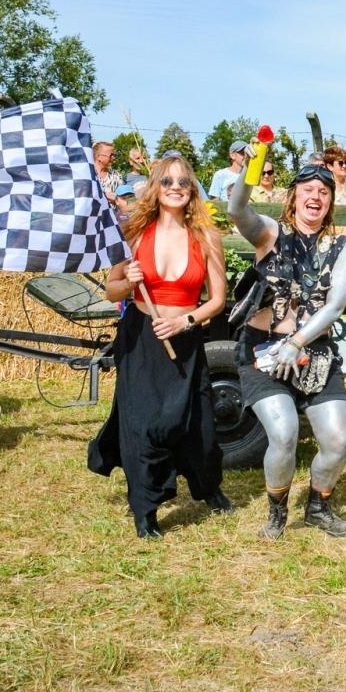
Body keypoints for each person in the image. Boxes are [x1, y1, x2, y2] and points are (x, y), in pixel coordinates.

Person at [89, 154, 231, 537]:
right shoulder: (132, 235)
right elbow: (110, 290)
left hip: (184, 335)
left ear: (192, 190)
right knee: (143, 423)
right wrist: (129, 281)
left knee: (196, 422)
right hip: (141, 335)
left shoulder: (207, 237)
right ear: (156, 187)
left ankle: (208, 487)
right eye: (166, 182)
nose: (175, 188)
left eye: (183, 182)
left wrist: (185, 321)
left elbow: (217, 299)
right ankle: (145, 506)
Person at [227, 146, 346, 540]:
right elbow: (236, 210)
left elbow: (334, 306)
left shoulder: (341, 247)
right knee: (283, 434)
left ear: (331, 201)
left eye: (324, 191)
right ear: (293, 196)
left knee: (337, 441)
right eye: (308, 189)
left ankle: (319, 505)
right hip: (264, 351)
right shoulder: (270, 232)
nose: (315, 196)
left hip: (314, 354)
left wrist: (298, 341)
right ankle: (277, 510)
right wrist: (253, 164)